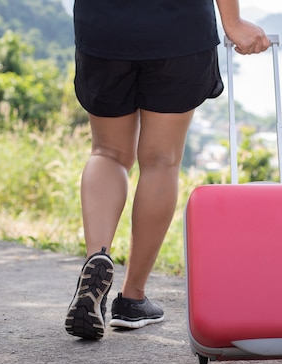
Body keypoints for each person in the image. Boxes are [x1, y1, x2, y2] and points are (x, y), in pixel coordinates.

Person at [64, 0, 271, 340]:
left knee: (108, 153)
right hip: (178, 29)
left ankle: (97, 258)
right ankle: (132, 299)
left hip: (104, 27)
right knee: (161, 160)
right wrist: (232, 22)